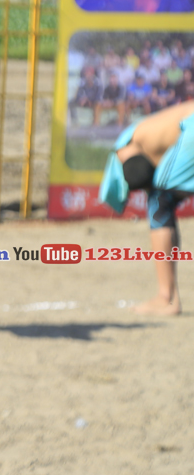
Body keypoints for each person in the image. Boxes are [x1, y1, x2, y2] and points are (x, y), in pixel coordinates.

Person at [100, 99, 194, 316]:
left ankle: (166, 298)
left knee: (159, 200)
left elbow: (138, 174)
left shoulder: (126, 144)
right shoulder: (149, 130)